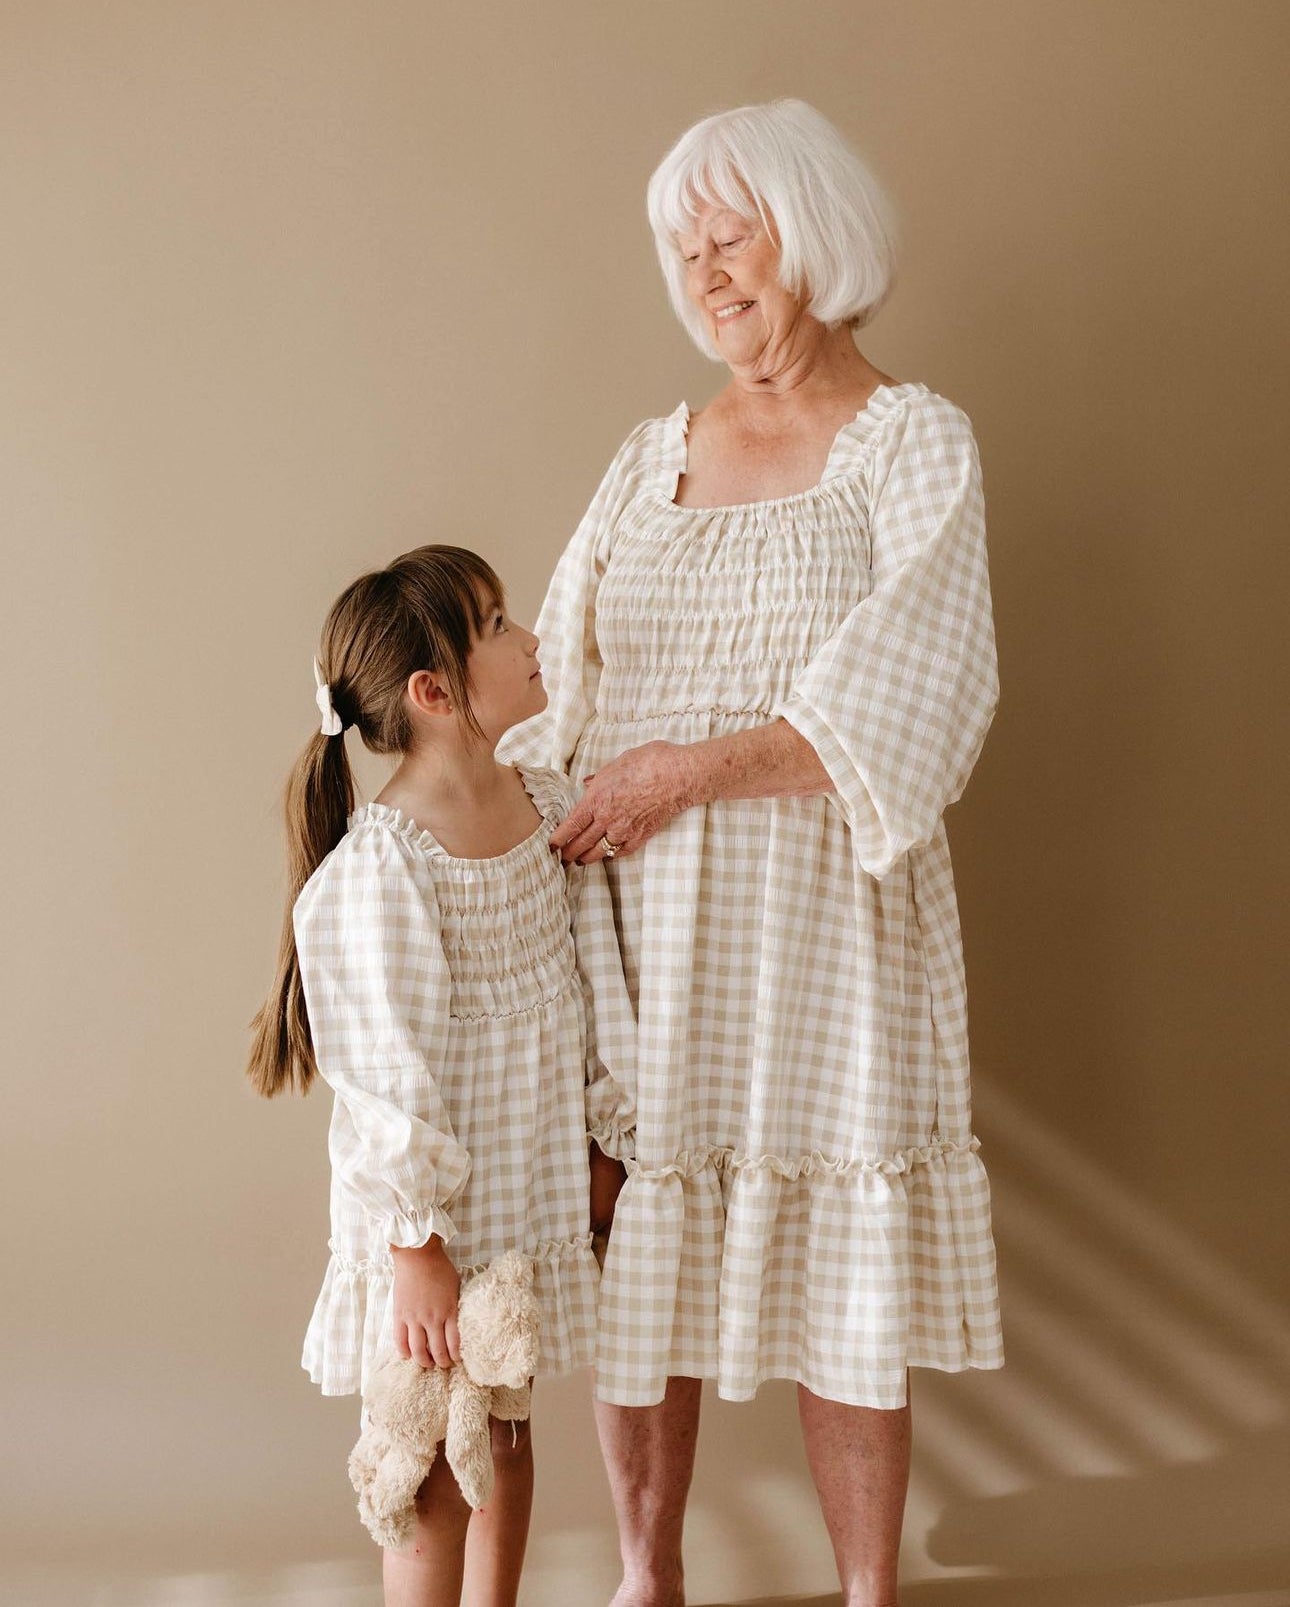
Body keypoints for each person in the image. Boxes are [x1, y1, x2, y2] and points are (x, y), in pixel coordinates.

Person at [498, 100, 1004, 1607]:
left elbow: (925, 678)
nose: (705, 269)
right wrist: (470, 828)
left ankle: (867, 1591)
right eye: (683, 246)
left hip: (824, 923)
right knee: (637, 1240)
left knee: (841, 1264)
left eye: (734, 234)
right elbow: (559, 684)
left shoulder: (913, 445)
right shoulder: (649, 455)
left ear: (818, 233)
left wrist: (690, 769)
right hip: (641, 918)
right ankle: (645, 1574)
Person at [247, 544, 636, 1607]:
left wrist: (607, 1139)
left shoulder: (545, 803)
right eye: (500, 625)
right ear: (434, 691)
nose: (531, 638)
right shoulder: (387, 866)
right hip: (439, 1222)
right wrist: (415, 1240)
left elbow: (594, 980)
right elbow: (381, 1070)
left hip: (524, 1193)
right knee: (426, 1457)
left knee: (503, 1435)